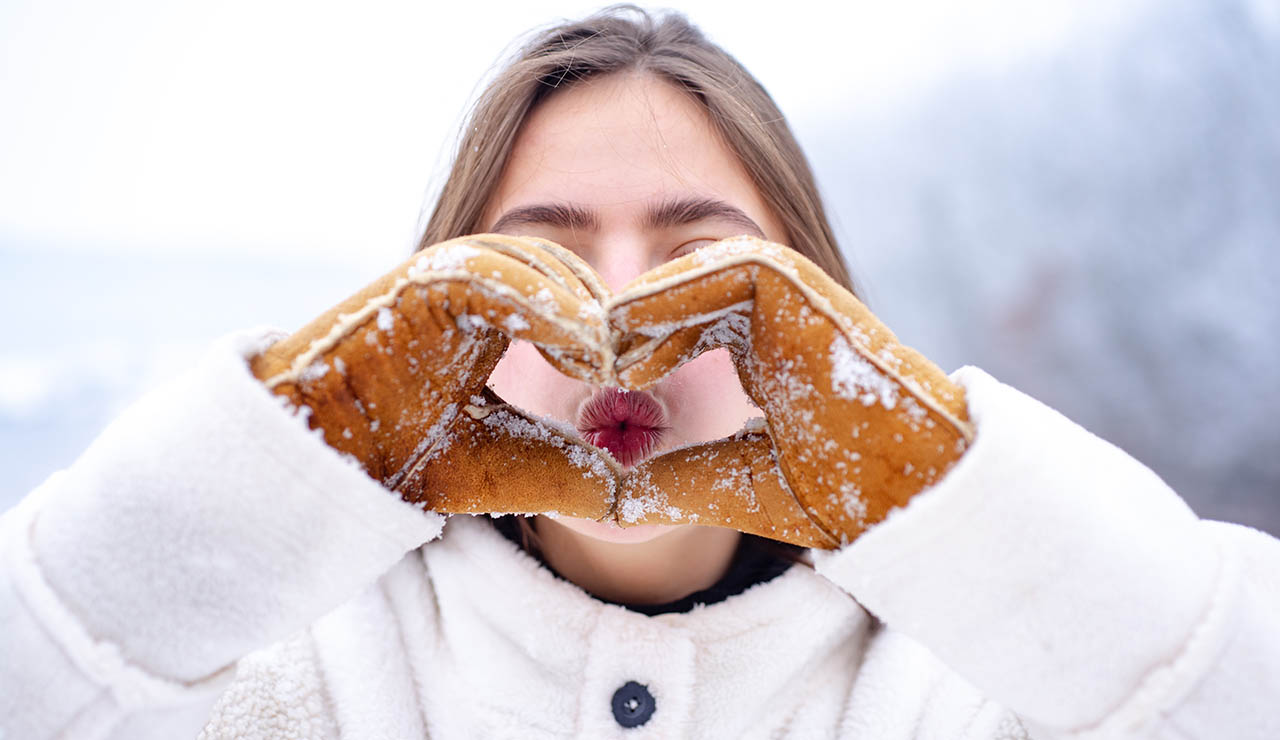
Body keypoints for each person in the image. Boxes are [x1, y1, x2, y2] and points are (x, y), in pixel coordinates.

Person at [1, 6, 1277, 739]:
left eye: (701, 258)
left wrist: (936, 487)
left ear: (816, 307)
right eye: (533, 263)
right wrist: (287, 450)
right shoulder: (285, 683)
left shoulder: (983, 685)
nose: (615, 312)